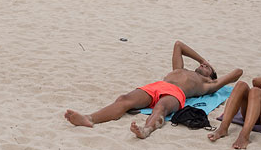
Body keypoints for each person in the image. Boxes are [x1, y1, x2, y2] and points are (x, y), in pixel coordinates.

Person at [65, 40, 243, 139]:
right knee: (123, 99)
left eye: (206, 67)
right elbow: (178, 45)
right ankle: (89, 118)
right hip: (157, 86)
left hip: (176, 93)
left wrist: (212, 71)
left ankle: (146, 130)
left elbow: (238, 73)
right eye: (202, 64)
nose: (203, 65)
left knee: (162, 108)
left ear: (212, 75)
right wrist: (203, 61)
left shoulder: (207, 84)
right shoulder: (179, 69)